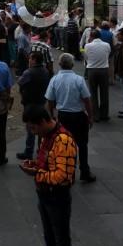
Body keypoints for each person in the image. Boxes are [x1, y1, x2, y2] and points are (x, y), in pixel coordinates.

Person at [19, 105, 77, 246]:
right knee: (50, 239)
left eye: (34, 127)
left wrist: (37, 173)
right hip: (44, 195)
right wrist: (36, 164)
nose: (34, 132)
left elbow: (63, 176)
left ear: (44, 121)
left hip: (57, 197)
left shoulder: (63, 140)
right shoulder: (47, 136)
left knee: (63, 245)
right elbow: (49, 162)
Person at [45, 53, 96, 183]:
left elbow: (50, 100)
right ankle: (84, 170)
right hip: (78, 115)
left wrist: (51, 115)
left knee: (64, 145)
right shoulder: (79, 79)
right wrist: (90, 117)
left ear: (60, 64)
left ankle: (66, 171)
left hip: (63, 116)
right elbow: (87, 100)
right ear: (72, 65)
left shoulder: (54, 80)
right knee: (82, 144)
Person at [17, 51, 51, 160]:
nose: (29, 60)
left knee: (31, 128)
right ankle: (41, 150)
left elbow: (20, 82)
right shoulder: (45, 71)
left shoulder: (29, 72)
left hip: (30, 103)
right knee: (41, 126)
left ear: (34, 60)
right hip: (41, 102)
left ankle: (28, 151)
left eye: (30, 59)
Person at [84, 29, 111, 122]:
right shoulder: (107, 45)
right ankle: (104, 114)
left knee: (93, 93)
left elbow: (86, 57)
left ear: (91, 36)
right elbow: (108, 55)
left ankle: (95, 115)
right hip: (104, 70)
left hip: (92, 70)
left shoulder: (87, 46)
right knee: (104, 93)